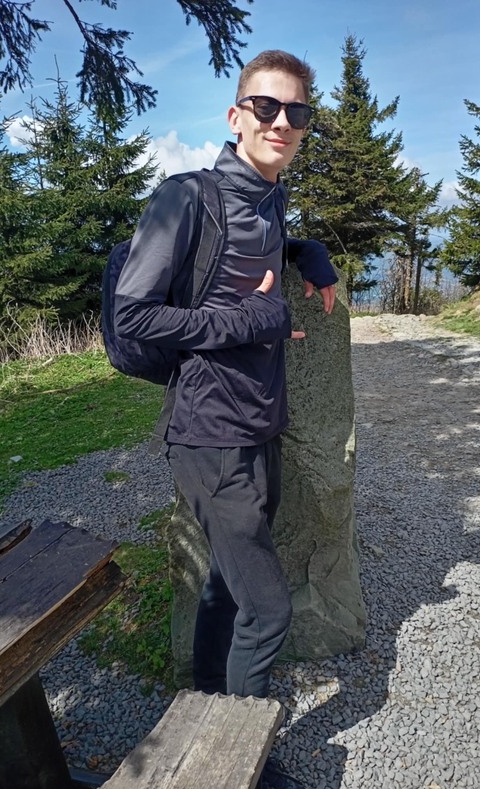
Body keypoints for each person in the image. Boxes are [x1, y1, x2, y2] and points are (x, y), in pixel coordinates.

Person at [115, 49, 336, 710]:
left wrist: (307, 252)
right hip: (209, 438)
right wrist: (249, 319)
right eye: (266, 107)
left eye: (297, 112)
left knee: (227, 584)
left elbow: (248, 261)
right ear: (236, 116)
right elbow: (133, 315)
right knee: (268, 611)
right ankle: (245, 751)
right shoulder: (186, 197)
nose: (282, 122)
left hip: (260, 428)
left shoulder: (269, 200)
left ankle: (208, 706)